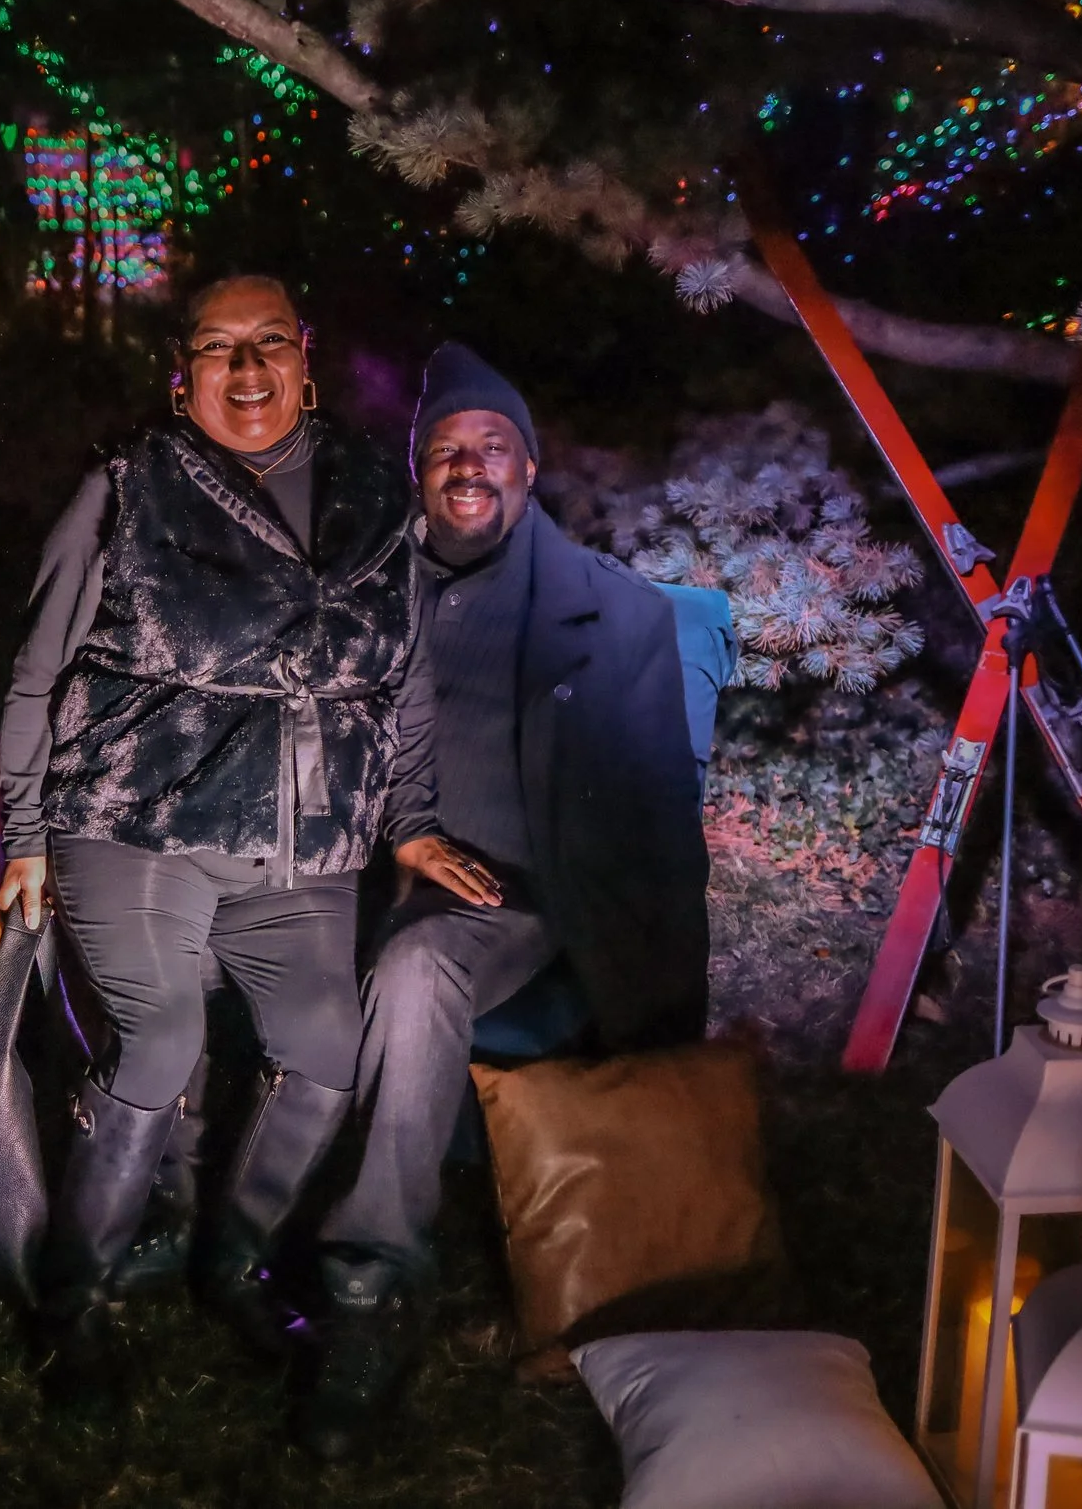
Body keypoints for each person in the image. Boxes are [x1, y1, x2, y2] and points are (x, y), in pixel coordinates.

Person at [0, 276, 470, 1404]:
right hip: (136, 820)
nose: (245, 372)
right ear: (181, 371)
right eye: (217, 349)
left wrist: (409, 820)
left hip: (301, 849)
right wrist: (22, 830)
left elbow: (403, 681)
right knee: (156, 1038)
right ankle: (76, 1296)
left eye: (267, 345)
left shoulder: (373, 495)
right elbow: (37, 670)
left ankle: (227, 1256)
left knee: (324, 1042)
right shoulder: (126, 488)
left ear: (306, 357)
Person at [298, 342, 713, 1459]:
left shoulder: (609, 616)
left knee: (418, 966)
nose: (466, 464)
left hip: (508, 896)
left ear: (529, 469)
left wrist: (671, 1010)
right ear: (416, 473)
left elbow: (656, 817)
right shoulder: (363, 591)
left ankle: (370, 1284)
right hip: (354, 866)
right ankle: (173, 1220)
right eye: (443, 449)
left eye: (490, 446)